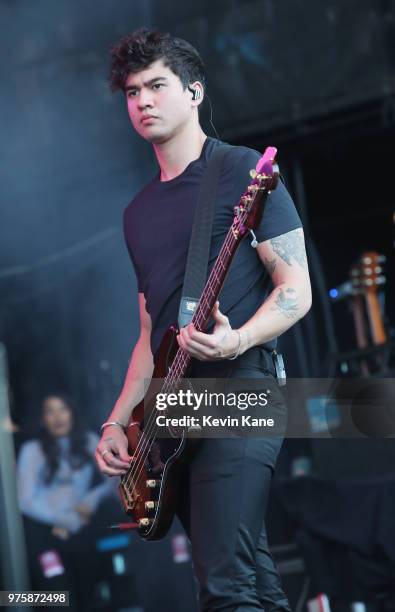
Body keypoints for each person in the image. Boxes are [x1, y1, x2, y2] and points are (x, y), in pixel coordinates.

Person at [95, 27, 312, 611]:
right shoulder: (136, 214)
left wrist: (238, 336)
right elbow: (149, 336)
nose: (143, 100)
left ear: (194, 92)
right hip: (175, 410)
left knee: (223, 586)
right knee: (252, 582)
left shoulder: (244, 170)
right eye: (133, 91)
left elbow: (298, 290)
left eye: (157, 85)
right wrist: (116, 422)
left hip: (243, 389)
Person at [17, 393, 115, 610]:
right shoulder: (32, 450)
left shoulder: (88, 441)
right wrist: (64, 519)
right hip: (44, 533)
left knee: (89, 596)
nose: (57, 417)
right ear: (42, 419)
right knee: (58, 599)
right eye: (50, 411)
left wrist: (91, 500)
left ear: (72, 413)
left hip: (78, 530)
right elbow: (25, 501)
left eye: (62, 409)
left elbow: (115, 481)